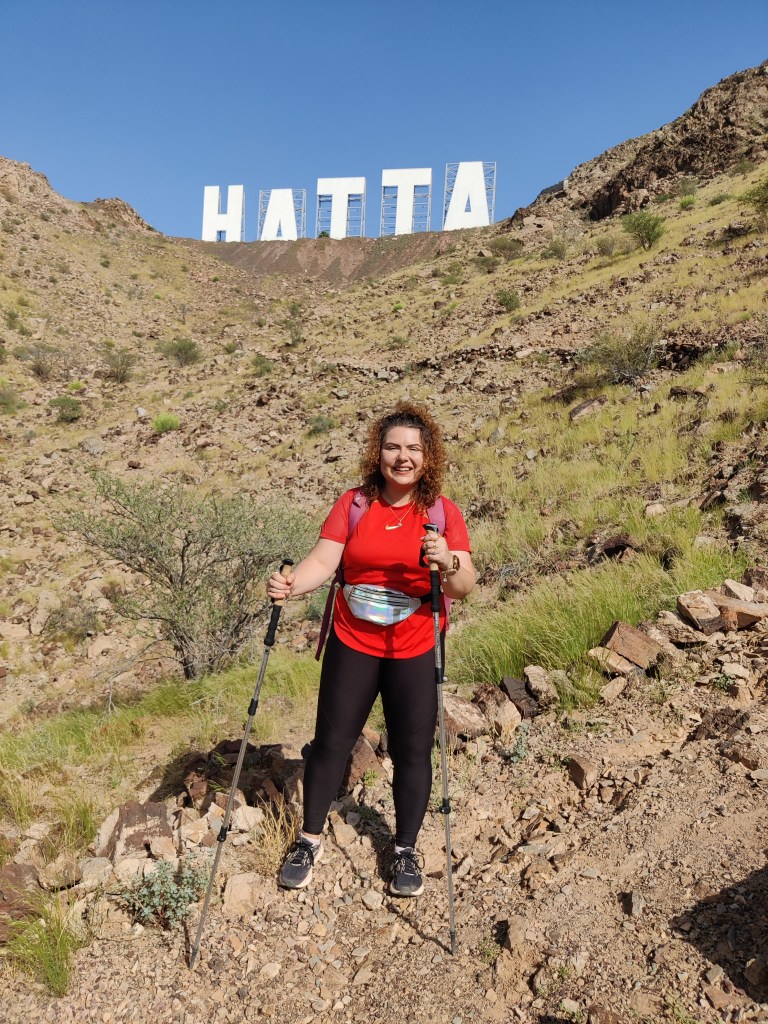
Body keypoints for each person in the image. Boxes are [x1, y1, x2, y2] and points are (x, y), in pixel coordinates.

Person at [267, 401, 475, 897]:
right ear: (377, 453)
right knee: (332, 742)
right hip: (353, 639)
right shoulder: (354, 504)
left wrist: (447, 560)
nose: (401, 458)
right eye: (392, 447)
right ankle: (308, 839)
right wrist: (291, 583)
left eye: (412, 449)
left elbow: (465, 584)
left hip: (415, 643)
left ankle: (405, 850)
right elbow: (324, 560)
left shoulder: (442, 513)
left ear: (429, 457)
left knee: (411, 750)